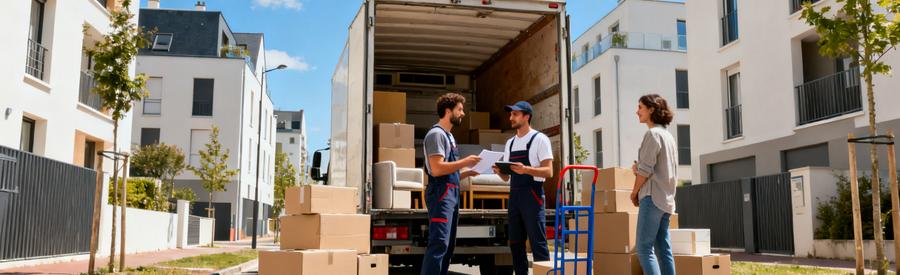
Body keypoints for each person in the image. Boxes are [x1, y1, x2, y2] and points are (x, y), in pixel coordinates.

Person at [421, 93, 481, 275]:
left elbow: (449, 173)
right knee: (439, 243)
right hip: (441, 194)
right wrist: (465, 162)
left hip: (451, 194)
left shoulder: (449, 137)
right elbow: (437, 169)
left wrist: (468, 172)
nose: (463, 113)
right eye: (460, 109)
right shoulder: (436, 135)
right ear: (448, 111)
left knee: (448, 245)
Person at [492, 101, 554, 275]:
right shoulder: (510, 143)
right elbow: (507, 177)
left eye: (515, 114)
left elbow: (549, 171)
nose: (511, 118)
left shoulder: (540, 139)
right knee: (516, 243)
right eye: (510, 114)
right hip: (515, 196)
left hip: (532, 195)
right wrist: (499, 171)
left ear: (527, 116)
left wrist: (526, 169)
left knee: (537, 242)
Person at [630, 94, 678, 275]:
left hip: (652, 198)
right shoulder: (668, 136)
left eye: (640, 107)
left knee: (644, 249)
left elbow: (645, 171)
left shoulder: (653, 134)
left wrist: (634, 193)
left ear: (651, 109)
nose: (637, 112)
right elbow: (657, 167)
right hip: (666, 200)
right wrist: (639, 168)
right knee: (663, 250)